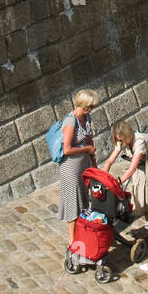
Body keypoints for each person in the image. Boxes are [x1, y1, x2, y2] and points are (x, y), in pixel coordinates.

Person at [58, 90, 98, 243]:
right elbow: (67, 149)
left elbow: (89, 139)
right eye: (91, 106)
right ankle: (72, 242)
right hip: (71, 169)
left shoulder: (86, 118)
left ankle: (81, 236)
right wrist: (86, 150)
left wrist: (93, 162)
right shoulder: (70, 121)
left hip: (83, 166)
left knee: (83, 202)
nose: (93, 109)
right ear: (85, 105)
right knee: (73, 204)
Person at [101, 121, 148, 218]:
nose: (120, 143)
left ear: (127, 135)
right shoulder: (121, 141)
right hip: (142, 165)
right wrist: (102, 178)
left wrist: (117, 183)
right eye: (118, 140)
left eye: (121, 140)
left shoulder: (139, 141)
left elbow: (132, 169)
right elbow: (109, 161)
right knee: (141, 197)